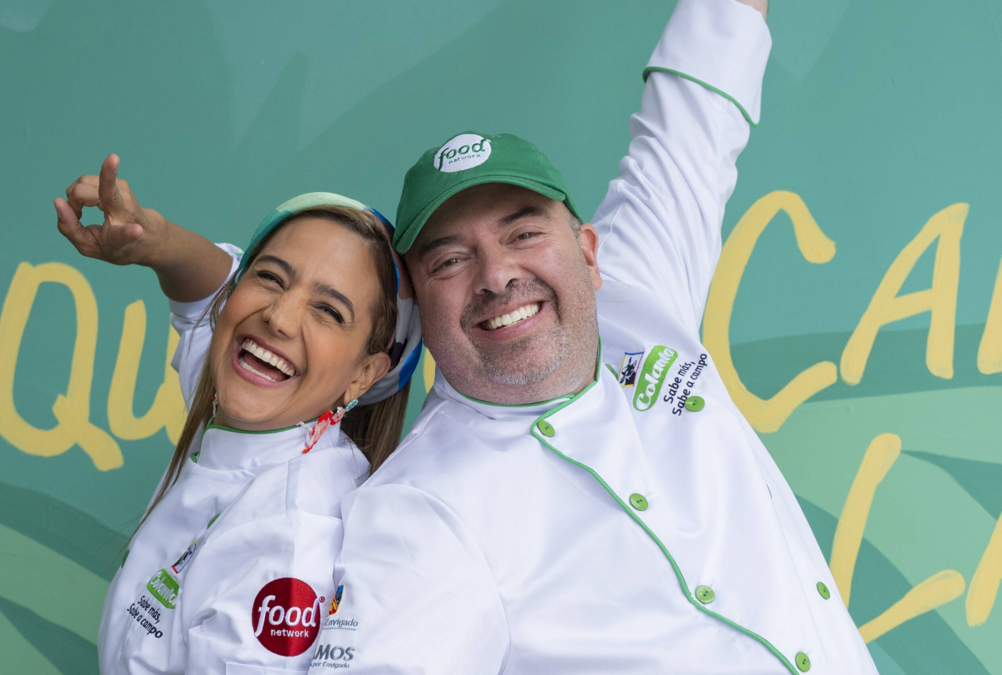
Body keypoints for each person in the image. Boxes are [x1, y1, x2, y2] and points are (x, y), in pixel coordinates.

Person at [308, 0, 881, 672]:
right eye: (450, 261)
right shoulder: (417, 515)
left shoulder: (639, 294)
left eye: (524, 233)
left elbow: (696, 109)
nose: (497, 275)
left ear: (587, 251)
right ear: (419, 309)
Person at [52, 158, 421, 675]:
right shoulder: (254, 403)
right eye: (270, 278)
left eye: (329, 311)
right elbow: (206, 292)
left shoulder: (288, 546)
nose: (278, 317)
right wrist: (155, 242)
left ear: (363, 374)